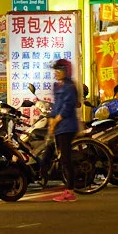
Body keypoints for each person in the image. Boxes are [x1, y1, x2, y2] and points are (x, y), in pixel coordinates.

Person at [44, 58, 82, 193]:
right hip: (60, 127)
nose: (57, 72)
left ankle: (70, 190)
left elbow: (67, 107)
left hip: (67, 127)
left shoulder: (70, 87)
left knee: (66, 159)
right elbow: (56, 106)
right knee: (52, 153)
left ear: (67, 71)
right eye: (56, 70)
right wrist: (51, 119)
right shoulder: (58, 86)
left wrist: (55, 121)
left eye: (60, 70)